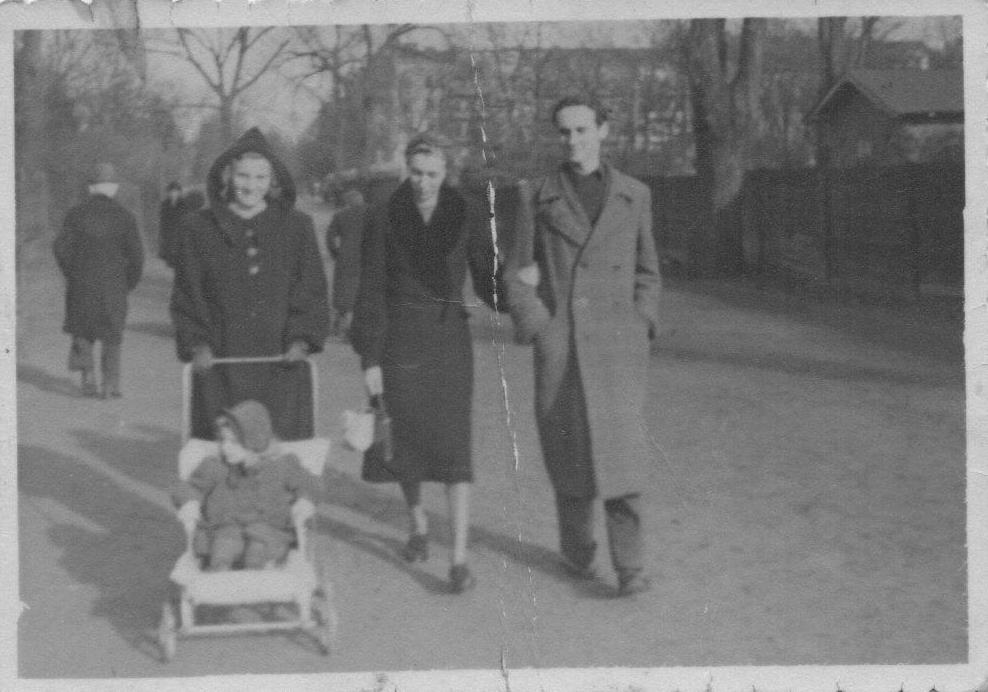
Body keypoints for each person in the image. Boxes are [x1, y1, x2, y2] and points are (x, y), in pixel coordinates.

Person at [506, 96, 662, 597]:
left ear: (604, 130)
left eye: (582, 130)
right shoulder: (537, 196)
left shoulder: (634, 195)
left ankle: (631, 567)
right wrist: (541, 328)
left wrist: (641, 323)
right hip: (564, 345)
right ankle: (577, 551)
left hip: (618, 348)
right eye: (564, 132)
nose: (573, 141)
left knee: (623, 459)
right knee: (569, 452)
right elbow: (515, 273)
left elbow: (648, 271)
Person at [350, 133, 501, 594]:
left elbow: (488, 276)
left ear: (446, 175)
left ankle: (457, 558)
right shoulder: (384, 216)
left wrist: (522, 291)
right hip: (399, 340)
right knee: (405, 440)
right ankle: (417, 526)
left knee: (455, 447)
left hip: (448, 340)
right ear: (405, 170)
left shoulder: (467, 214)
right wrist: (370, 356)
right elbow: (371, 288)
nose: (422, 183)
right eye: (415, 173)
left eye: (432, 174)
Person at [170, 127, 330, 440]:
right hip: (221, 364)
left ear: (272, 181)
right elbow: (188, 294)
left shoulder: (297, 227)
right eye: (243, 176)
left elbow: (311, 289)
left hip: (280, 364)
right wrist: (197, 344)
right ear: (227, 175)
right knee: (224, 452)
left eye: (260, 178)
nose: (250, 186)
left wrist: (301, 339)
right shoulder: (198, 228)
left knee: (278, 457)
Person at [172, 400, 324, 571]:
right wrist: (190, 502)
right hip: (226, 528)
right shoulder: (214, 467)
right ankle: (219, 578)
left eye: (234, 442)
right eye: (223, 440)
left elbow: (310, 483)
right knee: (223, 548)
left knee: (258, 550)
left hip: (268, 529)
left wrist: (306, 500)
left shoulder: (282, 467)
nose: (225, 447)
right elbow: (189, 487)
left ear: (255, 443)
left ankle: (256, 579)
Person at [53, 162, 144, 399]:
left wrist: (71, 272)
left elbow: (60, 248)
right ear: (114, 188)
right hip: (114, 286)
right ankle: (110, 384)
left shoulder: (75, 214)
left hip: (81, 284)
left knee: (82, 331)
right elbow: (137, 257)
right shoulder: (125, 217)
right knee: (112, 334)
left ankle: (88, 379)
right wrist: (127, 284)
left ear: (90, 187)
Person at [326, 188, 368, 339]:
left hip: (346, 258)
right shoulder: (372, 215)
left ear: (347, 203)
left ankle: (341, 328)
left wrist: (335, 253)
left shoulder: (340, 215)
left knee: (343, 293)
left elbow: (330, 238)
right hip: (367, 258)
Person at [158, 181, 185, 269]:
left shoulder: (184, 204)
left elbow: (187, 218)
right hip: (169, 234)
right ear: (168, 193)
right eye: (172, 192)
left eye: (176, 191)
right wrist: (163, 233)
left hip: (181, 233)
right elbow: (163, 220)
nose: (174, 194)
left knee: (182, 257)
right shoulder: (165, 204)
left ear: (179, 192)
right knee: (171, 258)